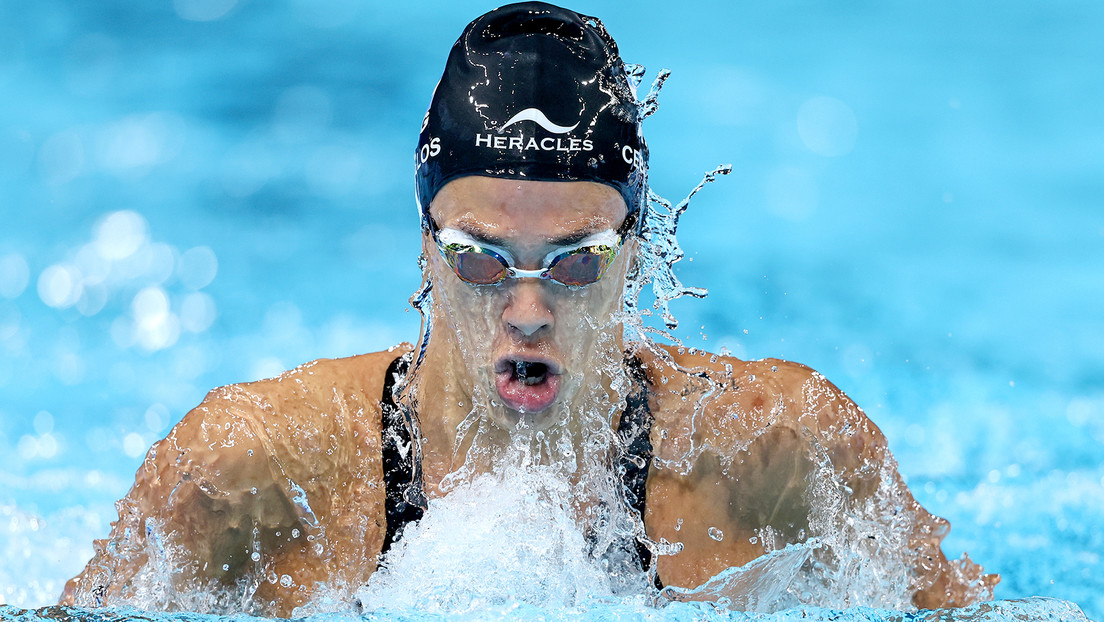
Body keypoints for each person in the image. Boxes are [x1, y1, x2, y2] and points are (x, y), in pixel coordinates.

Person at [61, 2, 997, 616]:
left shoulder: (782, 455)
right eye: (479, 261)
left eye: (577, 264)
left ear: (637, 256)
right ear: (424, 242)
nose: (527, 309)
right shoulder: (254, 469)